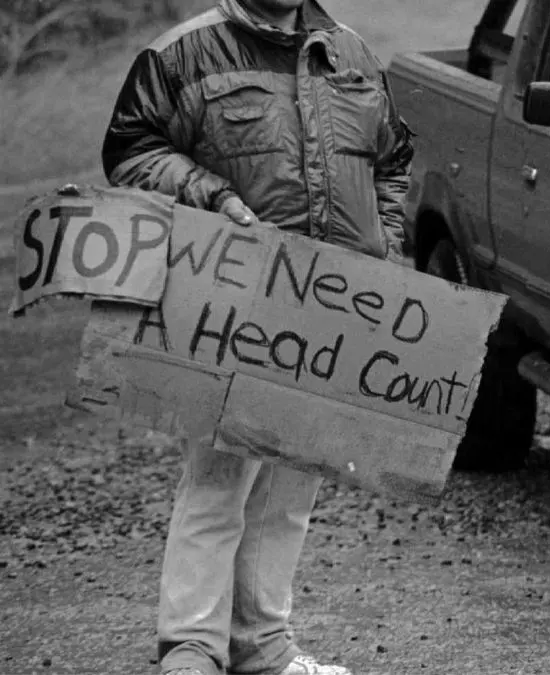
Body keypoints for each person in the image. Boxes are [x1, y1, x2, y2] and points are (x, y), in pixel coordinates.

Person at [100, 1, 413, 673]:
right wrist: (211, 195)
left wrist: (385, 250)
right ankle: (191, 651)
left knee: (291, 487)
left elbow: (391, 162)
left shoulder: (352, 53)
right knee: (218, 480)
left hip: (329, 313)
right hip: (231, 307)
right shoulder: (182, 54)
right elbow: (130, 151)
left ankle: (263, 648)